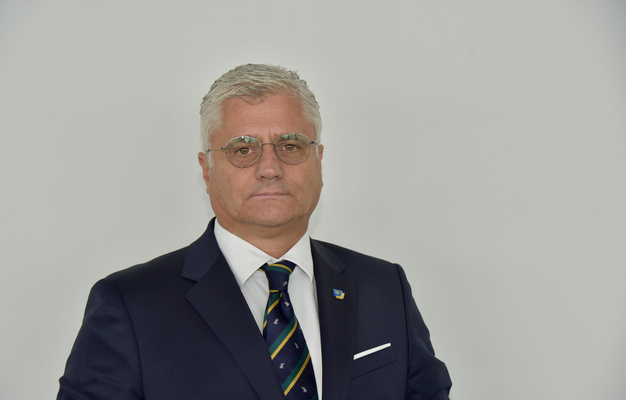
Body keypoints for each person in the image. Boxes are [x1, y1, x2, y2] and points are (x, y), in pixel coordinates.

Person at [57, 64, 452, 400]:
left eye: (291, 145)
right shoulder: (130, 306)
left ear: (318, 161)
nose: (270, 168)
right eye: (243, 149)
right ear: (207, 170)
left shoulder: (384, 288)